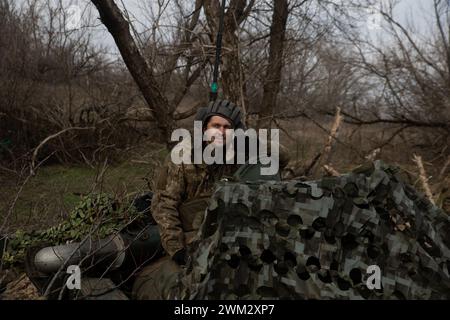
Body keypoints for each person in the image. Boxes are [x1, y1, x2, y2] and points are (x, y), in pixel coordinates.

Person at [132, 99, 251, 299]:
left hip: (220, 233)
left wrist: (251, 142)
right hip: (187, 235)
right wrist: (177, 250)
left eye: (227, 128)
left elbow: (283, 156)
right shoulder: (183, 156)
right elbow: (164, 206)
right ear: (205, 128)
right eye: (216, 126)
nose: (221, 132)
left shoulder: (236, 153)